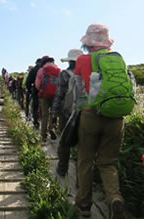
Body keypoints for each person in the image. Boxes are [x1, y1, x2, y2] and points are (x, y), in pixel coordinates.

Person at [74, 24, 127, 219]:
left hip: (91, 115)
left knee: (86, 160)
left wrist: (79, 111)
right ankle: (115, 198)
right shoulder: (118, 58)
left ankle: (84, 205)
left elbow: (79, 90)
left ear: (88, 42)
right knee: (108, 162)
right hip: (116, 116)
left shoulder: (82, 59)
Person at [51, 49, 83, 176]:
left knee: (65, 142)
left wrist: (54, 115)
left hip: (67, 113)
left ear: (69, 61)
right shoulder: (88, 72)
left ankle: (62, 169)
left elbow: (59, 95)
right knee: (83, 145)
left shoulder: (65, 74)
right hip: (85, 112)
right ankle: (81, 179)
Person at [35, 56, 60, 142]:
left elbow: (37, 85)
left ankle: (43, 135)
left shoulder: (41, 70)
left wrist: (41, 90)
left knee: (45, 114)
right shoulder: (57, 69)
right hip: (55, 95)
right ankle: (51, 128)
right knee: (53, 114)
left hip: (44, 95)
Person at [25, 58, 41, 127]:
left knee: (35, 107)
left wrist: (30, 90)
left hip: (36, 91)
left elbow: (28, 82)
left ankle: (36, 122)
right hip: (48, 92)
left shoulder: (34, 70)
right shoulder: (45, 69)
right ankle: (49, 125)